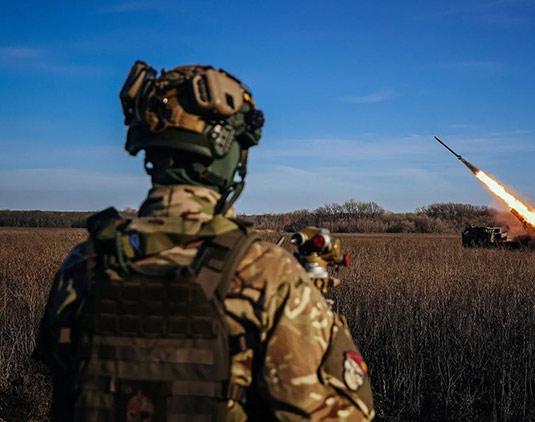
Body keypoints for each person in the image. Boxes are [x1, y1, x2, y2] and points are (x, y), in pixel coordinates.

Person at [34, 61, 374, 421]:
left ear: (151, 147)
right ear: (229, 154)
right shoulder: (266, 274)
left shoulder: (84, 263)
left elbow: (64, 382)